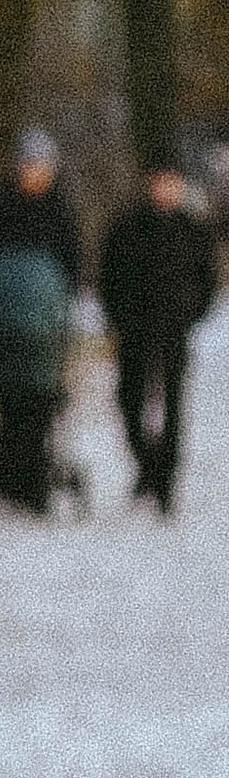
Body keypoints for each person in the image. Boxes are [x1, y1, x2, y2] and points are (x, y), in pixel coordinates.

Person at [0, 127, 85, 517]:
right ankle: (1, 473)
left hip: (42, 332)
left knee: (37, 405)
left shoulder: (60, 213)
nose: (34, 173)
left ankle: (29, 478)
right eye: (28, 165)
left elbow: (72, 268)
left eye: (41, 166)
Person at [96, 154, 220, 513]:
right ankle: (147, 468)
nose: (165, 189)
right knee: (130, 401)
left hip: (174, 329)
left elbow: (207, 281)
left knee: (172, 407)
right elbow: (109, 276)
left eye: (172, 182)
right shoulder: (126, 227)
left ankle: (165, 479)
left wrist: (190, 312)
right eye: (160, 181)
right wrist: (118, 316)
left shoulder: (193, 229)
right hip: (134, 329)